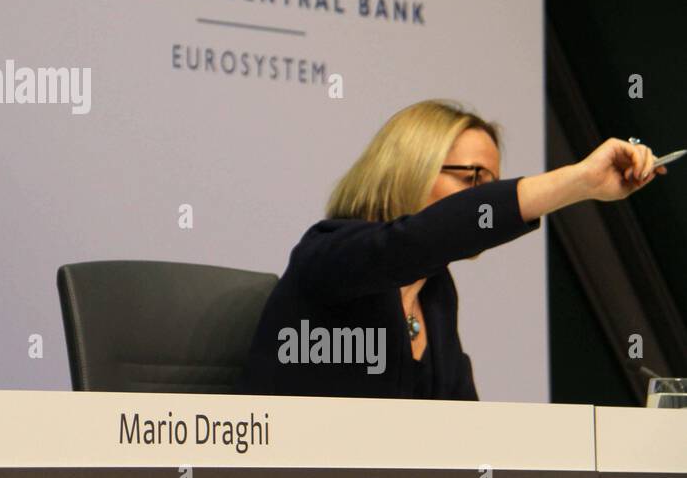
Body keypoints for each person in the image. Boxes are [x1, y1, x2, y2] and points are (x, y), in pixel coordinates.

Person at [236, 100, 667, 400]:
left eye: (492, 185)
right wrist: (579, 182)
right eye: (473, 179)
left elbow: (464, 433)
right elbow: (412, 242)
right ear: (409, 167)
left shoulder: (436, 293)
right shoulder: (330, 254)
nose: (482, 201)